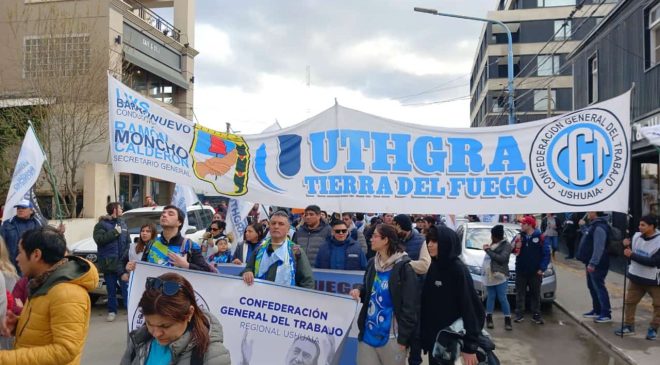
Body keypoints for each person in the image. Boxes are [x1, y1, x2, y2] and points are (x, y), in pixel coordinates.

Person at [0, 226, 99, 364]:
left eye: (20, 252)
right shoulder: (43, 283)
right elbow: (45, 327)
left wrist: (4, 359)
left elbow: (65, 350)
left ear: (36, 255)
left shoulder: (66, 293)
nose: (17, 258)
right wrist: (19, 324)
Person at [120, 273, 231, 365]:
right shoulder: (140, 340)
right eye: (149, 323)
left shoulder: (212, 356)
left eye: (165, 326)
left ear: (190, 313)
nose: (156, 334)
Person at [349, 224, 418, 365]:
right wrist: (359, 290)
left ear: (385, 240)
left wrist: (403, 339)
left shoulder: (404, 268)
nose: (371, 239)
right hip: (368, 335)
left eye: (375, 236)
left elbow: (410, 307)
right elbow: (367, 289)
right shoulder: (372, 264)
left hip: (392, 338)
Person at [420, 225, 484, 365]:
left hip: (453, 341)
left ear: (446, 243)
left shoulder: (458, 270)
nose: (429, 245)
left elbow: (471, 309)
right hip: (435, 340)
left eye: (434, 241)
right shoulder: (433, 265)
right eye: (428, 240)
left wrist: (470, 346)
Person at [242, 211, 314, 288]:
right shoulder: (259, 249)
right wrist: (247, 272)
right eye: (273, 223)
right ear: (269, 226)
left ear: (288, 229)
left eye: (281, 224)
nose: (276, 226)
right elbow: (249, 268)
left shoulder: (296, 251)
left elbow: (307, 282)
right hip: (260, 296)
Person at [616, 215, 660, 340]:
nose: (639, 227)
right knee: (629, 303)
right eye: (639, 224)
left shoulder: (658, 241)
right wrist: (624, 245)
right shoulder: (635, 236)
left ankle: (653, 328)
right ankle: (629, 326)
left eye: (643, 225)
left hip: (654, 280)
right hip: (636, 277)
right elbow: (627, 251)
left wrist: (632, 255)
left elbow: (654, 261)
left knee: (658, 305)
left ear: (652, 226)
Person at [141, 205, 213, 272]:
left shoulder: (190, 246)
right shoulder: (151, 244)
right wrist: (133, 267)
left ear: (179, 222)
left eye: (170, 214)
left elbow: (206, 270)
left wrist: (186, 265)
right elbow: (142, 269)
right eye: (163, 213)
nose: (164, 215)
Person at [93, 202, 130, 322]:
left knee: (126, 288)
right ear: (114, 209)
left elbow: (128, 242)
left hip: (122, 263)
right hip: (109, 263)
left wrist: (126, 256)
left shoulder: (123, 223)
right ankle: (112, 311)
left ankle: (129, 310)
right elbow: (99, 240)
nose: (122, 209)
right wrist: (114, 232)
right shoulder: (101, 225)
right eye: (119, 207)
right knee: (111, 289)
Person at [512, 215, 550, 324]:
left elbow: (546, 254)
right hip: (521, 270)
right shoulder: (519, 236)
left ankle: (536, 315)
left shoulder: (541, 237)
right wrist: (516, 245)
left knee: (535, 293)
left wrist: (542, 268)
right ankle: (519, 314)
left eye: (523, 224)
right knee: (520, 293)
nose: (521, 225)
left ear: (529, 225)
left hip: (535, 271)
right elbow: (512, 249)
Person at [576, 211, 612, 323]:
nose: (588, 213)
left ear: (595, 213)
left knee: (599, 287)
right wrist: (583, 227)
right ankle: (597, 310)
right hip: (590, 262)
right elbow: (588, 234)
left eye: (590, 211)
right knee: (592, 286)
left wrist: (593, 263)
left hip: (598, 264)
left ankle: (606, 313)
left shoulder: (600, 227)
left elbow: (599, 247)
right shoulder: (594, 225)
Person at [482, 224, 513, 331]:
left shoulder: (507, 245)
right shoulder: (493, 244)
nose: (491, 237)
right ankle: (489, 318)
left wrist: (488, 251)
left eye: (493, 235)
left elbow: (502, 259)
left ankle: (508, 320)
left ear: (496, 236)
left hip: (500, 275)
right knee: (491, 296)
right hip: (490, 276)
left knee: (502, 298)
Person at [1, 199, 46, 270]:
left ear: (31, 211)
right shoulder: (7, 224)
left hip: (31, 268)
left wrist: (59, 232)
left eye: (23, 208)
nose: (20, 210)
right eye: (18, 208)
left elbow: (44, 243)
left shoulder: (38, 224)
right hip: (11, 268)